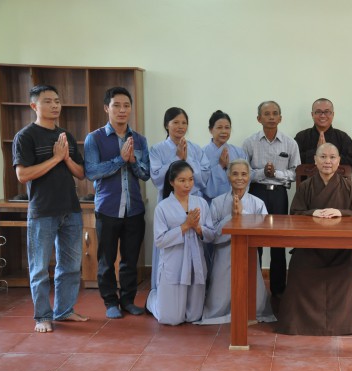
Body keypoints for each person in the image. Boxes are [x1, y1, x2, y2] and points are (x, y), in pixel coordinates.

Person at [13, 84, 89, 332]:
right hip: (42, 212)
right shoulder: (25, 136)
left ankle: (64, 311)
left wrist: (65, 158)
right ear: (34, 106)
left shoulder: (65, 135)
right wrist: (55, 158)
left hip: (71, 210)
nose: (55, 105)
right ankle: (42, 317)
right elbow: (23, 175)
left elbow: (81, 173)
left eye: (57, 101)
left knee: (71, 266)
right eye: (48, 101)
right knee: (39, 268)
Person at [277, 143, 352, 335]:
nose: (328, 161)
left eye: (332, 157)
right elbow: (295, 213)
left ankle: (343, 323)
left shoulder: (349, 187)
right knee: (298, 267)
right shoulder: (306, 187)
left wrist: (341, 212)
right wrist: (313, 213)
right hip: (309, 250)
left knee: (349, 267)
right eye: (323, 157)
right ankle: (299, 322)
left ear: (339, 161)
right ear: (315, 161)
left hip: (341, 251)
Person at [84, 87, 150, 319]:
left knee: (130, 260)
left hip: (134, 209)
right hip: (108, 209)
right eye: (117, 105)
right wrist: (119, 160)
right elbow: (92, 172)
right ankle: (110, 302)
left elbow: (145, 174)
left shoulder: (139, 139)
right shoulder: (95, 138)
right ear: (106, 108)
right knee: (106, 260)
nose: (122, 110)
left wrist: (132, 162)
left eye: (126, 106)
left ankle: (128, 301)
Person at [196, 159, 275, 324]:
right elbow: (211, 235)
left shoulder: (257, 203)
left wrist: (242, 215)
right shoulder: (217, 202)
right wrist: (231, 217)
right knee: (219, 297)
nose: (240, 178)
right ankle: (221, 311)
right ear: (228, 176)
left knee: (253, 293)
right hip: (224, 252)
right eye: (235, 174)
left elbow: (265, 232)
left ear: (249, 177)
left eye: (244, 174)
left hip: (248, 253)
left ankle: (251, 311)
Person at [242, 101, 301, 298]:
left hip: (279, 195)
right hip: (256, 193)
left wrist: (275, 173)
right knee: (255, 241)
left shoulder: (290, 143)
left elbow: (295, 173)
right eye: (266, 114)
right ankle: (255, 287)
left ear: (280, 118)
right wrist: (262, 173)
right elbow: (244, 172)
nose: (271, 117)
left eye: (275, 113)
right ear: (259, 118)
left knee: (278, 240)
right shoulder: (249, 143)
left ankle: (278, 288)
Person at [147, 161, 215, 325]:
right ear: (172, 182)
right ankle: (153, 300)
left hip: (195, 264)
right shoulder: (162, 207)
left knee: (193, 316)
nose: (187, 185)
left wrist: (198, 228)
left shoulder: (201, 203)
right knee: (172, 319)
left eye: (190, 179)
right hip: (174, 265)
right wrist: (185, 226)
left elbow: (211, 235)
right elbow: (160, 240)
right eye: (182, 180)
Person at [149, 107, 209, 295]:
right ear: (166, 125)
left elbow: (204, 178)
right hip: (170, 203)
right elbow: (156, 177)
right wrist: (177, 158)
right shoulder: (157, 149)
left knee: (195, 247)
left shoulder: (196, 149)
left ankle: (194, 291)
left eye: (184, 122)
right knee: (169, 246)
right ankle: (163, 292)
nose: (180, 126)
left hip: (192, 201)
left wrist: (187, 160)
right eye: (175, 122)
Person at [294, 98, 352, 169]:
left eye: (327, 112)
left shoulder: (343, 138)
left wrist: (329, 155)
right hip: (306, 176)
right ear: (312, 114)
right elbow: (294, 161)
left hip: (337, 176)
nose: (323, 115)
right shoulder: (301, 136)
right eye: (318, 112)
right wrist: (316, 151)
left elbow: (351, 164)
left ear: (333, 114)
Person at [203, 110, 247, 204]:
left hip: (235, 201)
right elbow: (200, 181)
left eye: (227, 127)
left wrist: (230, 168)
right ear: (211, 129)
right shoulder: (202, 153)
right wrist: (220, 167)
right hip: (209, 203)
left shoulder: (239, 152)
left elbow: (246, 178)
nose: (224, 131)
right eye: (219, 127)